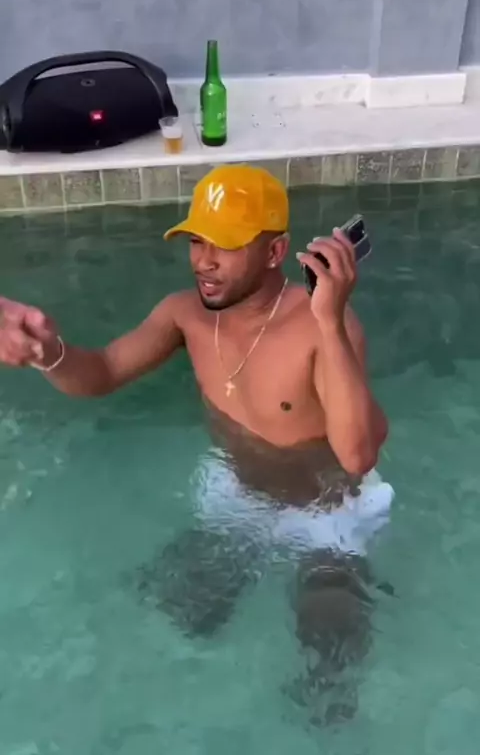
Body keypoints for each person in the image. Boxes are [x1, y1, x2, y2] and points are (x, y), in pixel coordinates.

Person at [0, 164, 392, 723]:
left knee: (328, 664)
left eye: (225, 245)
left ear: (276, 251)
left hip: (326, 516)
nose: (204, 260)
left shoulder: (324, 326)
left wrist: (329, 321)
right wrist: (48, 354)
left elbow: (358, 455)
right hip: (239, 499)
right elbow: (103, 371)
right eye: (196, 241)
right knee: (159, 622)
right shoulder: (183, 315)